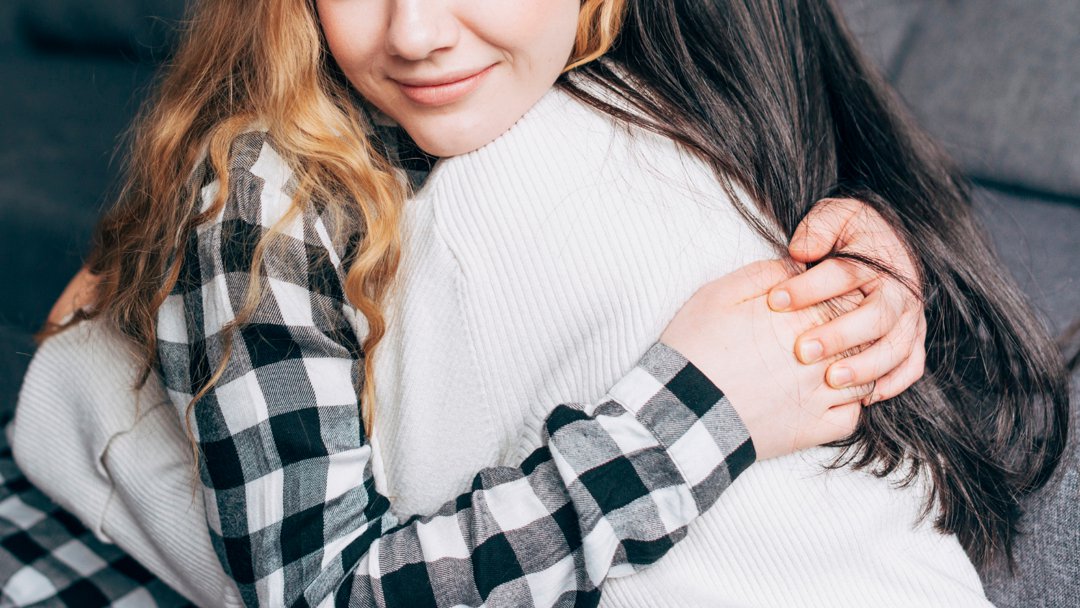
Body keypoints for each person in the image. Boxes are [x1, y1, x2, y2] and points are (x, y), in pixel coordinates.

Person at [14, 0, 1069, 606]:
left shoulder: (656, 76)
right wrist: (695, 410)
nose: (416, 30)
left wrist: (872, 279)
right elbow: (323, 592)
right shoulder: (262, 194)